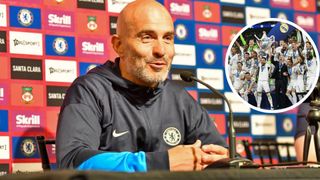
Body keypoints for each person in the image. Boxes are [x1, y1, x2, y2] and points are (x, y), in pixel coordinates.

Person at [56, 0, 228, 172]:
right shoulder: (90, 90)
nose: (161, 50)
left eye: (168, 38)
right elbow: (72, 161)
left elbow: (221, 157)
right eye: (147, 37)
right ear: (119, 46)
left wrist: (222, 161)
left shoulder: (179, 98)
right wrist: (161, 163)